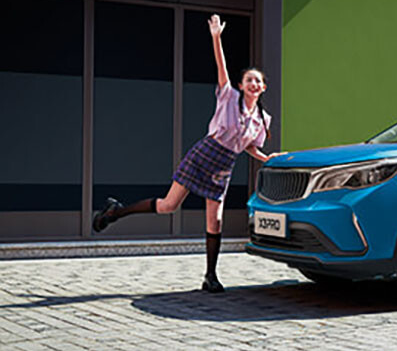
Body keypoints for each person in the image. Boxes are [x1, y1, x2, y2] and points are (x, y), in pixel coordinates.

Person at [92, 15, 283, 293]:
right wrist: (216, 38)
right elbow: (221, 66)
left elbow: (249, 146)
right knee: (169, 205)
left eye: (258, 81)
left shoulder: (264, 119)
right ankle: (116, 212)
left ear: (263, 87)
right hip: (205, 153)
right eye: (249, 80)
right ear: (241, 85)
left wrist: (266, 158)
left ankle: (210, 276)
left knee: (215, 220)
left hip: (224, 164)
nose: (253, 84)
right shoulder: (229, 97)